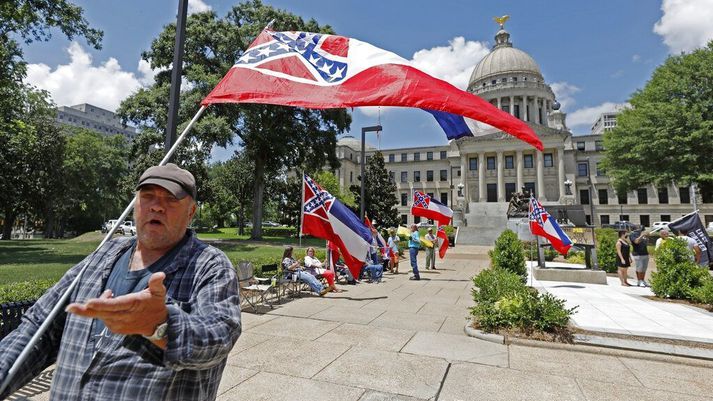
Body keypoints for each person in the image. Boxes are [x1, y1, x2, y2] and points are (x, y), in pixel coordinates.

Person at [0, 163, 242, 400]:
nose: (157, 206)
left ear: (191, 212)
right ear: (135, 204)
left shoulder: (210, 266)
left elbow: (219, 336)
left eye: (171, 199)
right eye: (148, 196)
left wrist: (160, 325)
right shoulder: (102, 255)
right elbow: (39, 326)